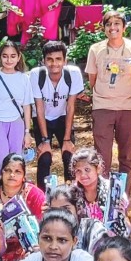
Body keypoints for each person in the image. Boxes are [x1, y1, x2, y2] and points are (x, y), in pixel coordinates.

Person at [85, 11, 131, 195]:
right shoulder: (95, 50)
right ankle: (103, 200)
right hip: (103, 107)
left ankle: (122, 202)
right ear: (103, 28)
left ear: (124, 27)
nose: (113, 28)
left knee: (126, 156)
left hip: (128, 107)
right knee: (102, 157)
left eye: (117, 23)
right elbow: (92, 81)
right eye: (108, 24)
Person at [32, 40, 84, 190]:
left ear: (65, 60)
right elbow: (39, 107)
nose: (54, 63)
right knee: (45, 157)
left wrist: (67, 139)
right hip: (42, 119)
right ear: (43, 61)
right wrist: (45, 140)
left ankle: (71, 193)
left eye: (58, 59)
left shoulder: (73, 73)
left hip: (63, 117)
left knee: (69, 156)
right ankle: (42, 197)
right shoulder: (36, 75)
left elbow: (70, 106)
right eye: (49, 59)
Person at [0, 41, 36, 174]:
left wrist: (27, 132)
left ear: (18, 57)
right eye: (5, 56)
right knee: (1, 160)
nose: (9, 60)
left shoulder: (24, 78)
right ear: (0, 57)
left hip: (17, 123)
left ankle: (16, 191)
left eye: (12, 56)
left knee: (16, 160)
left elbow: (27, 106)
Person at [0, 154, 47, 261]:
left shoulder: (34, 194)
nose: (12, 175)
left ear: (24, 176)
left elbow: (43, 225)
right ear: (1, 174)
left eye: (17, 171)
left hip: (30, 249)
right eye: (7, 170)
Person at [71, 147, 131, 237]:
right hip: (81, 241)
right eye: (78, 171)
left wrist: (121, 214)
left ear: (98, 169)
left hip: (110, 240)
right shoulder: (71, 193)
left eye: (87, 170)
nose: (83, 175)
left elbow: (125, 228)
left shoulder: (112, 191)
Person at [45, 184, 110, 254]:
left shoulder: (93, 229)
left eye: (66, 209)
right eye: (55, 210)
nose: (61, 214)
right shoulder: (49, 232)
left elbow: (103, 258)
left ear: (78, 208)